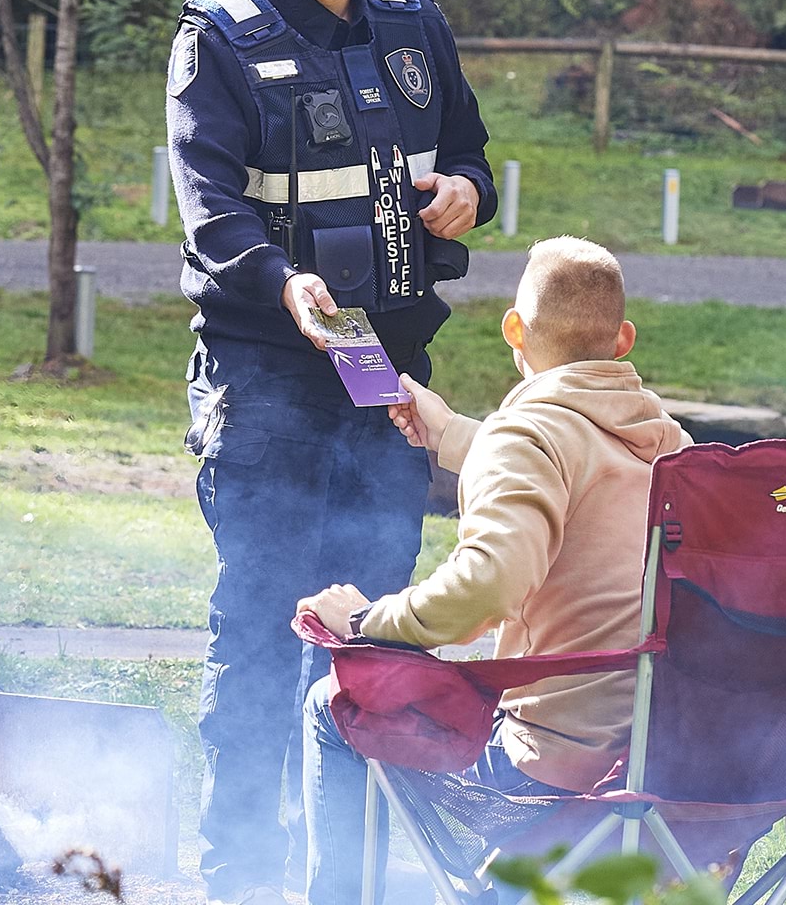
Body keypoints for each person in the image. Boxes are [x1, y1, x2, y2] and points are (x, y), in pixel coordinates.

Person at [166, 0, 498, 905]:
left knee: (373, 638)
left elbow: (471, 155)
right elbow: (211, 215)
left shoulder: (413, 18)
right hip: (266, 376)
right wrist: (283, 282)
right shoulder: (217, 34)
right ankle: (237, 874)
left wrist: (466, 194)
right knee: (262, 630)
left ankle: (340, 878)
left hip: (382, 378)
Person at [296, 236, 692, 905]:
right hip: (665, 760)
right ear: (622, 339)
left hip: (552, 772)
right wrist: (450, 432)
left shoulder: (529, 435)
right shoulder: (672, 447)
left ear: (514, 328)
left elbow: (489, 584)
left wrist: (366, 622)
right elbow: (580, 471)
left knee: (330, 704)